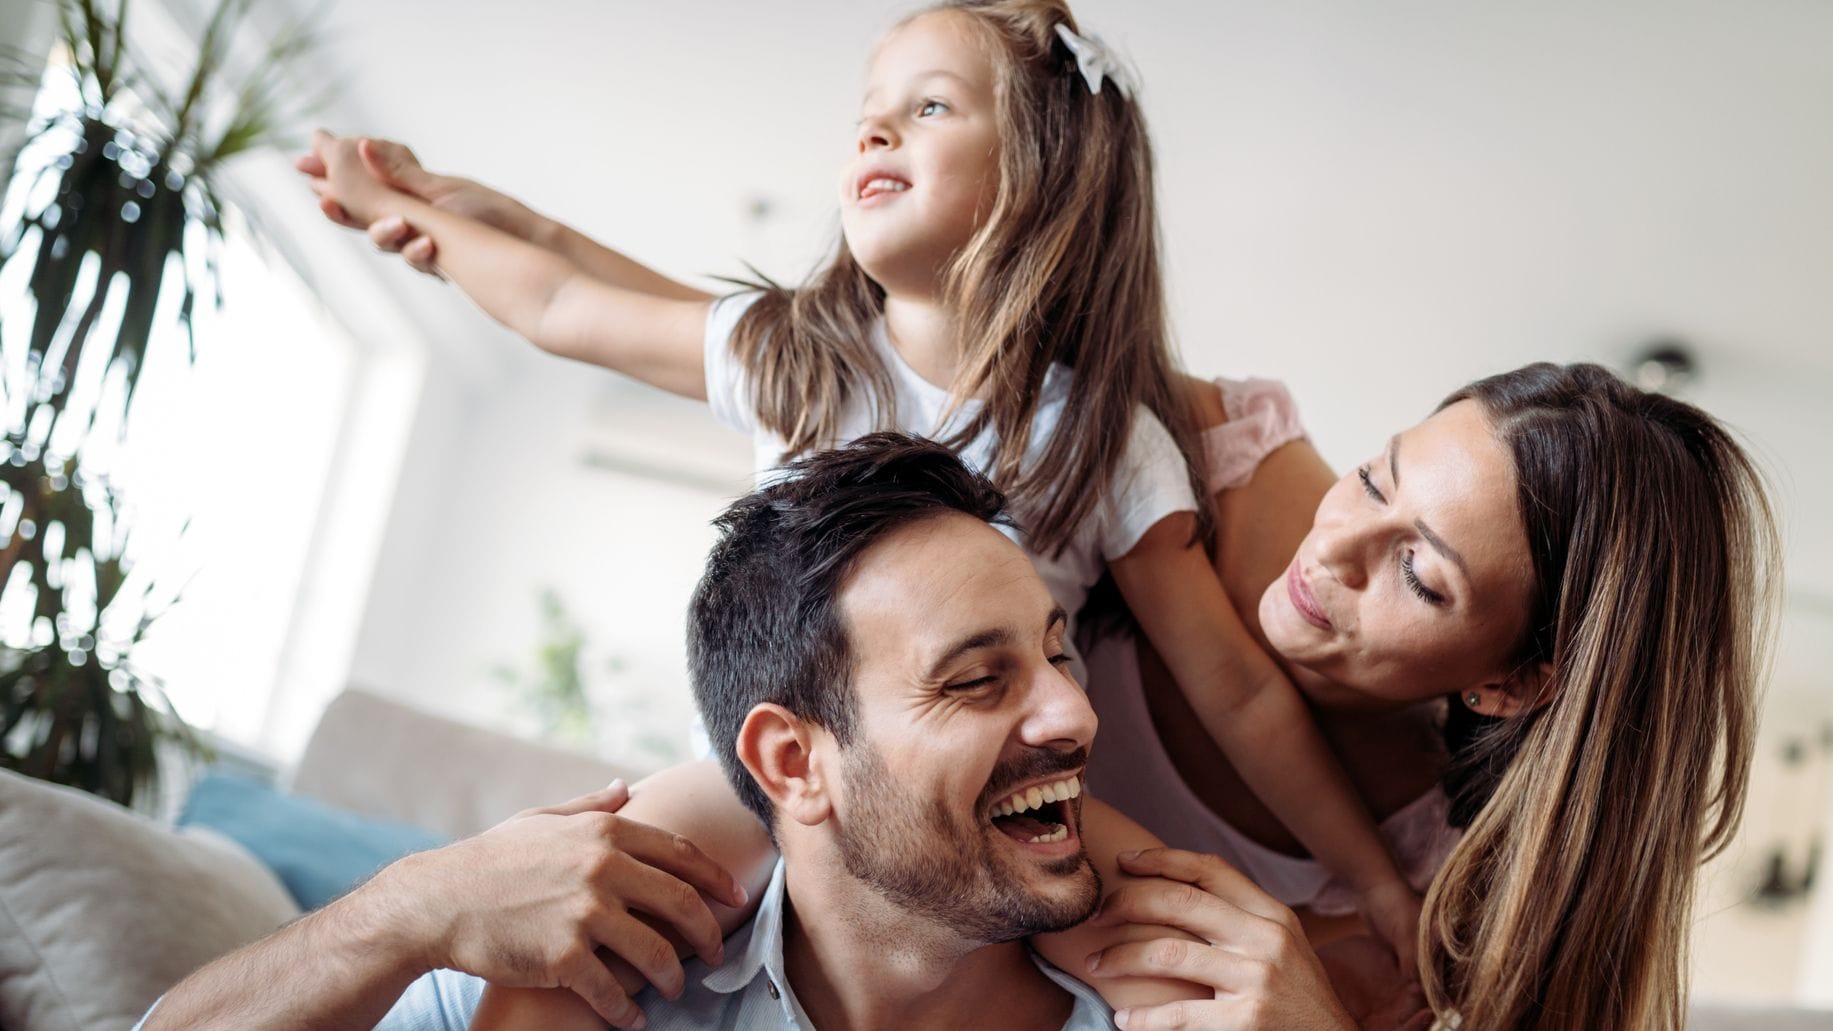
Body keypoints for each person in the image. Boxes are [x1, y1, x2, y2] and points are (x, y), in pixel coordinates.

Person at [298, 0, 1422, 1019]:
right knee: (579, 936)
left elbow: (1233, 685)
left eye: (927, 107)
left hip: (993, 810)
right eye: (868, 115)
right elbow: (558, 294)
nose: (874, 134)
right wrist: (434, 228)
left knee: (1202, 937)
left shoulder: (1109, 437)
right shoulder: (795, 355)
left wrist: (1374, 880)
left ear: (1042, 175)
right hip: (756, 789)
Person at [136, 434, 1366, 1031]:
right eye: (976, 679)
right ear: (794, 759)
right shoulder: (595, 961)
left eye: (1054, 651)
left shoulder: (1186, 1013)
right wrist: (403, 908)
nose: (1074, 709)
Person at [1074, 362, 1778, 1029]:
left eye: (1418, 573)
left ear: (1509, 684)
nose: (1332, 550)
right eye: (1374, 479)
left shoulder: (1434, 890)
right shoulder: (1223, 448)